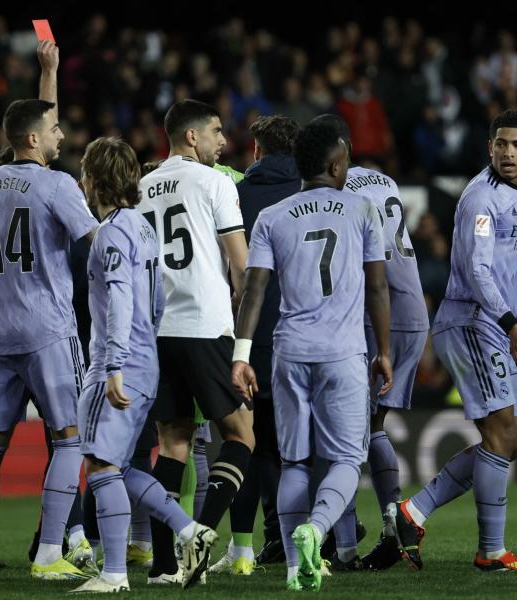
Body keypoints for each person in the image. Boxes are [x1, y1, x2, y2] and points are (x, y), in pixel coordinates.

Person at [231, 117, 393, 592]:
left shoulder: (272, 217)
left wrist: (241, 355)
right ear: (334, 163)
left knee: (295, 462)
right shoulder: (362, 209)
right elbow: (378, 287)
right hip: (342, 352)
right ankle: (316, 530)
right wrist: (384, 351)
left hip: (289, 353)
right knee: (345, 459)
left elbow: (253, 292)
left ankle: (293, 570)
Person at [0, 94, 98, 581]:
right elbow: (96, 246)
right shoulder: (57, 185)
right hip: (49, 331)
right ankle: (51, 551)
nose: (61, 136)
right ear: (33, 138)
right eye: (54, 128)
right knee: (69, 439)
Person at [71, 136, 208, 593]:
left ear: (95, 181)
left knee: (100, 465)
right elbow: (157, 298)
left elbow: (120, 297)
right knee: (126, 466)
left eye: (86, 175)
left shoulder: (110, 232)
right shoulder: (143, 227)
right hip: (146, 359)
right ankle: (191, 532)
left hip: (120, 363)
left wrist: (112, 365)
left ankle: (113, 575)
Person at [388, 109, 517, 572]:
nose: (509, 153)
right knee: (503, 432)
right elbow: (479, 270)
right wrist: (510, 322)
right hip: (473, 322)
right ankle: (491, 551)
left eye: (516, 145)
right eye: (501, 144)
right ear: (489, 147)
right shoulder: (482, 199)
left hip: (495, 325)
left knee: (505, 438)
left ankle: (413, 512)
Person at [139, 99, 254, 588]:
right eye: (215, 132)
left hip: (157, 331)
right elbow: (242, 267)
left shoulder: (141, 187)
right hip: (205, 327)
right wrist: (244, 337)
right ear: (191, 137)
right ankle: (202, 534)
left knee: (173, 445)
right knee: (241, 436)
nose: (223, 141)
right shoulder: (216, 183)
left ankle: (165, 565)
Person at [315, 114, 429, 571]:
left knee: (343, 434)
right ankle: (390, 520)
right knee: (373, 425)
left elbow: (367, 263)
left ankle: (343, 547)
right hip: (413, 312)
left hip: (376, 315)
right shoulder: (383, 180)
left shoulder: (341, 192)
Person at [210, 115, 301, 575]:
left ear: (257, 151)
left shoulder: (236, 195)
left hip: (246, 338)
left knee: (249, 444)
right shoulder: (313, 195)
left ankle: (253, 546)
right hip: (307, 340)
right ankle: (321, 538)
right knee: (302, 449)